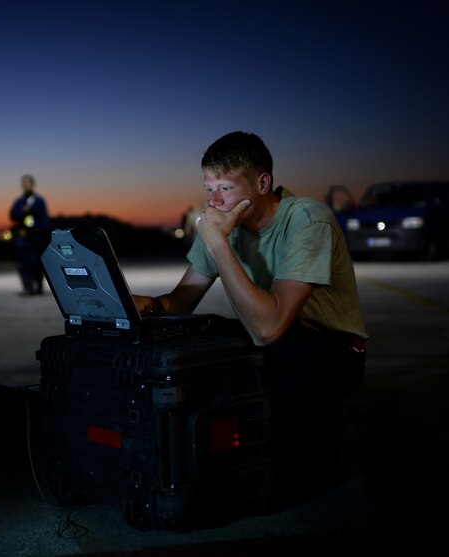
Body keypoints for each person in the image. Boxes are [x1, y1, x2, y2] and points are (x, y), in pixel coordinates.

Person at [133, 131, 368, 488]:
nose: (214, 202)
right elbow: (181, 301)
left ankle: (331, 424)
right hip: (274, 334)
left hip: (332, 345)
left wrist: (217, 243)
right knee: (196, 338)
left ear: (262, 183)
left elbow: (268, 329)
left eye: (225, 188)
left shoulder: (307, 219)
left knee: (293, 468)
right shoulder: (227, 224)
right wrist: (142, 305)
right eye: (208, 189)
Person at [9, 174, 51, 295]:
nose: (26, 185)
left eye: (28, 183)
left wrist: (44, 234)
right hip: (23, 237)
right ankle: (28, 287)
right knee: (23, 263)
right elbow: (12, 215)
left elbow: (45, 219)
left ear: (32, 184)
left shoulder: (39, 201)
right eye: (24, 183)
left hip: (36, 236)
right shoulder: (19, 201)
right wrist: (22, 210)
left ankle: (38, 286)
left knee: (37, 262)